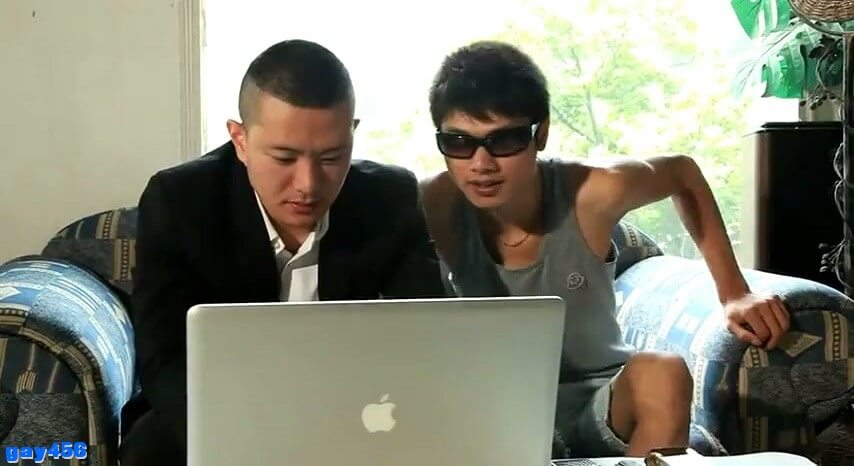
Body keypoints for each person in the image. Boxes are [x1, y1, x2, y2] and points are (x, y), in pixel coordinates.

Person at [420, 41, 792, 458]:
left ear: (540, 133)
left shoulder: (594, 192)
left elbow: (682, 173)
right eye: (459, 142)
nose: (481, 164)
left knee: (663, 372)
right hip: (489, 410)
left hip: (599, 401)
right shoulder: (435, 203)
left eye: (504, 140)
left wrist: (733, 292)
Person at [121, 39, 449, 466]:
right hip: (225, 407)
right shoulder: (181, 200)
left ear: (351, 133)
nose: (308, 185)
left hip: (358, 405)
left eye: (331, 157)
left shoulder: (390, 197)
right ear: (240, 140)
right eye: (283, 157)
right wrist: (239, 442)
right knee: (152, 445)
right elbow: (163, 357)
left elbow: (430, 336)